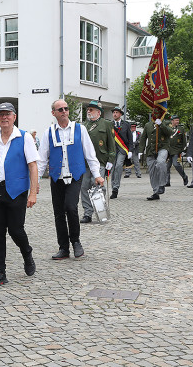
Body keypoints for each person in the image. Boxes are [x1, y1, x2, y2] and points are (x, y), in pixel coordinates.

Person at [36, 99, 104, 260]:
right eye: (60, 109)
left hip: (75, 174)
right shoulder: (49, 132)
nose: (64, 111)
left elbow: (90, 153)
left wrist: (97, 174)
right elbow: (41, 159)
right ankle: (63, 248)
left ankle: (76, 241)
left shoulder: (79, 129)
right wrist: (35, 181)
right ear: (54, 113)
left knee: (71, 207)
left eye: (66, 108)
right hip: (56, 177)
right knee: (59, 213)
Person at [0, 102, 38, 287]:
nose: (4, 117)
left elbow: (33, 166)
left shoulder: (24, 137)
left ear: (14, 117)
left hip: (17, 191)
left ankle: (27, 253)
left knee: (16, 230)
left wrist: (33, 193)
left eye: (8, 114)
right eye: (1, 115)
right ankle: (0, 272)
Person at [80, 100, 114, 223]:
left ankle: (101, 212)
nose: (88, 111)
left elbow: (111, 143)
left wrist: (111, 159)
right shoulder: (84, 126)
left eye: (91, 109)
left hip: (100, 160)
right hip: (85, 163)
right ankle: (87, 213)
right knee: (84, 187)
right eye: (88, 109)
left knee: (97, 186)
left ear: (98, 112)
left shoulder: (106, 124)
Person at [138, 107, 173, 200]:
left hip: (163, 148)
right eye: (154, 113)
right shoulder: (148, 125)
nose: (155, 115)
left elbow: (170, 132)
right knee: (152, 171)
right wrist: (140, 151)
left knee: (160, 162)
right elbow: (143, 138)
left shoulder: (166, 123)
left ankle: (162, 185)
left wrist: (161, 125)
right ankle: (155, 192)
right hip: (151, 150)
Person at [109, 106, 133, 199]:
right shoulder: (110, 124)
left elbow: (130, 138)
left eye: (116, 112)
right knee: (113, 169)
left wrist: (130, 150)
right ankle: (113, 188)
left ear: (120, 114)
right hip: (112, 150)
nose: (114, 114)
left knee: (119, 166)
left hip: (122, 150)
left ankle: (116, 188)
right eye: (113, 112)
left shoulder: (126, 124)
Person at [166, 115, 189, 186]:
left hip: (176, 150)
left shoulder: (181, 129)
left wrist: (182, 150)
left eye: (178, 120)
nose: (177, 122)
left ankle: (184, 176)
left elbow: (184, 141)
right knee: (167, 166)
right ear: (172, 121)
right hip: (168, 150)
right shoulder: (167, 128)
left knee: (176, 164)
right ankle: (167, 181)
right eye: (176, 120)